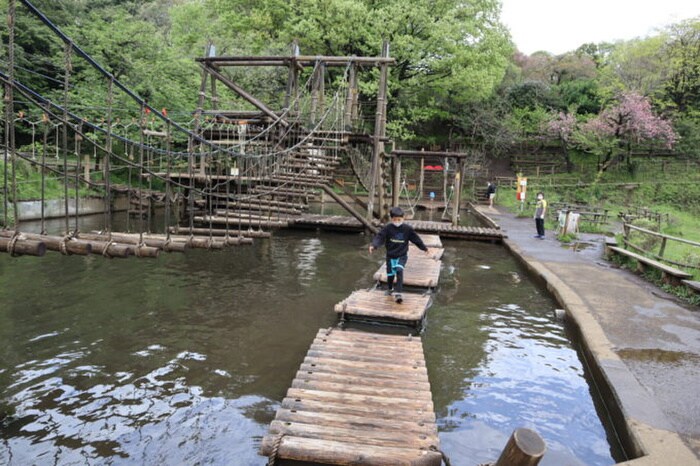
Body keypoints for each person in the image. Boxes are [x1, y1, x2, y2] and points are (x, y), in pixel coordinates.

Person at [369, 207, 429, 303]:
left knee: (399, 270)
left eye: (399, 220)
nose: (397, 221)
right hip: (390, 255)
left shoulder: (407, 229)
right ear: (391, 219)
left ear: (403, 218)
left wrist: (424, 248)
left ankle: (398, 293)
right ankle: (390, 288)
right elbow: (380, 237)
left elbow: (416, 239)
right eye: (394, 220)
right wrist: (374, 245)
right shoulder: (387, 228)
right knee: (390, 275)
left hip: (402, 255)